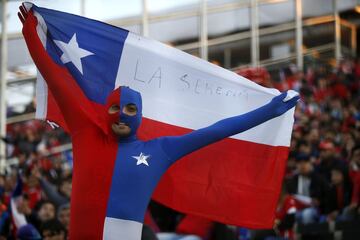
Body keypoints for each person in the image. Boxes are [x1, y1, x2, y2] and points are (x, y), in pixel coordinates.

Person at [18, 5, 299, 240]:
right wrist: (32, 35)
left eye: (130, 109)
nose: (121, 114)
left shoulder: (159, 150)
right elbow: (57, 81)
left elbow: (218, 130)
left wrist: (270, 110)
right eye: (115, 108)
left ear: (139, 114)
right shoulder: (85, 132)